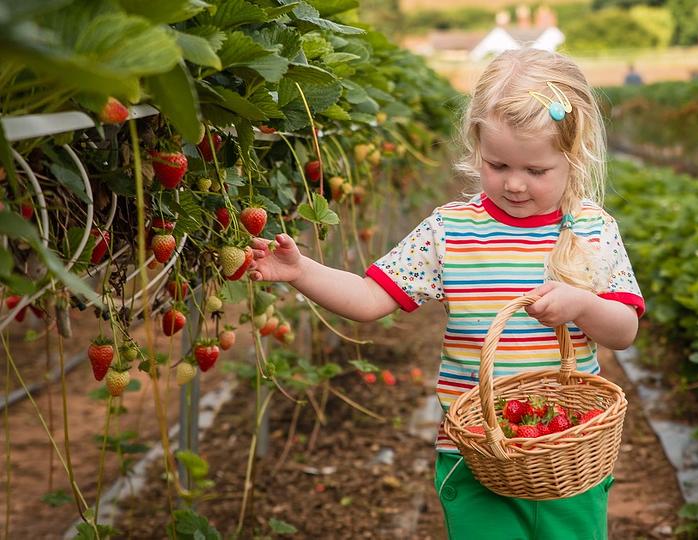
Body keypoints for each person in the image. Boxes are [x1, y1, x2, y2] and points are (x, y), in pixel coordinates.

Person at [247, 48, 644, 540]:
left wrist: (583, 306)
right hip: (473, 453)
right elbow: (372, 298)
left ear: (574, 155)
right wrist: (301, 270)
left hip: (565, 450)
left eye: (536, 171)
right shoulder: (451, 230)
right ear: (476, 147)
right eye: (497, 165)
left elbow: (624, 331)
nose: (515, 184)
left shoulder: (592, 230)